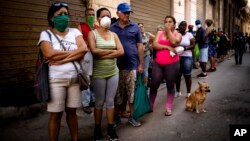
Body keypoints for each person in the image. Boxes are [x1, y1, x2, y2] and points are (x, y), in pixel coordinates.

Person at [38, 2, 88, 141]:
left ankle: (75, 139)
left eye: (66, 14)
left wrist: (60, 59)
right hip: (56, 81)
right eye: (60, 14)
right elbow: (48, 54)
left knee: (72, 112)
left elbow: (84, 50)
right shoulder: (45, 34)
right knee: (56, 114)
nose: (64, 17)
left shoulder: (75, 32)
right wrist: (74, 53)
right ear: (52, 18)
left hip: (74, 80)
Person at [88, 7, 124, 141]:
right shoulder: (93, 34)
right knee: (99, 102)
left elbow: (121, 52)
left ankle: (110, 128)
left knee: (110, 101)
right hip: (98, 73)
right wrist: (111, 53)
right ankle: (97, 128)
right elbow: (93, 50)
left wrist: (103, 53)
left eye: (108, 16)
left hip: (113, 72)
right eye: (103, 16)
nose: (106, 18)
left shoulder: (114, 35)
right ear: (98, 19)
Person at [110, 2, 144, 127]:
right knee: (118, 94)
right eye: (125, 12)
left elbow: (140, 46)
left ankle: (132, 116)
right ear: (118, 13)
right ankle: (117, 116)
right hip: (116, 67)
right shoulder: (112, 28)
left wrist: (141, 64)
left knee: (131, 93)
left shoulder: (135, 27)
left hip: (132, 66)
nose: (127, 15)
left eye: (128, 12)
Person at [149, 16, 182, 116]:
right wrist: (167, 47)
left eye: (170, 22)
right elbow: (154, 45)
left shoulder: (178, 34)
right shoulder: (159, 33)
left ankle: (168, 107)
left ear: (174, 24)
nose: (168, 23)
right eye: (166, 22)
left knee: (170, 85)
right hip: (158, 63)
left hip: (172, 63)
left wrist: (168, 32)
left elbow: (174, 42)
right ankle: (150, 105)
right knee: (154, 85)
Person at [78, 8, 97, 114]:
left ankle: (93, 100)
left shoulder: (97, 27)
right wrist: (89, 43)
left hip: (96, 55)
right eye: (89, 14)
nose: (91, 16)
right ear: (85, 15)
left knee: (94, 78)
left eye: (92, 14)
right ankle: (86, 103)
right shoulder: (81, 26)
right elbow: (80, 41)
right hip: (86, 55)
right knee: (86, 78)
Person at [175, 21, 195, 98]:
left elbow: (193, 45)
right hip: (177, 57)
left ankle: (188, 92)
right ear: (179, 26)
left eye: (185, 25)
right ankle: (178, 91)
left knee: (187, 75)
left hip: (187, 57)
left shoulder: (189, 34)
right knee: (178, 75)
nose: (184, 27)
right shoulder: (176, 34)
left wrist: (185, 48)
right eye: (182, 25)